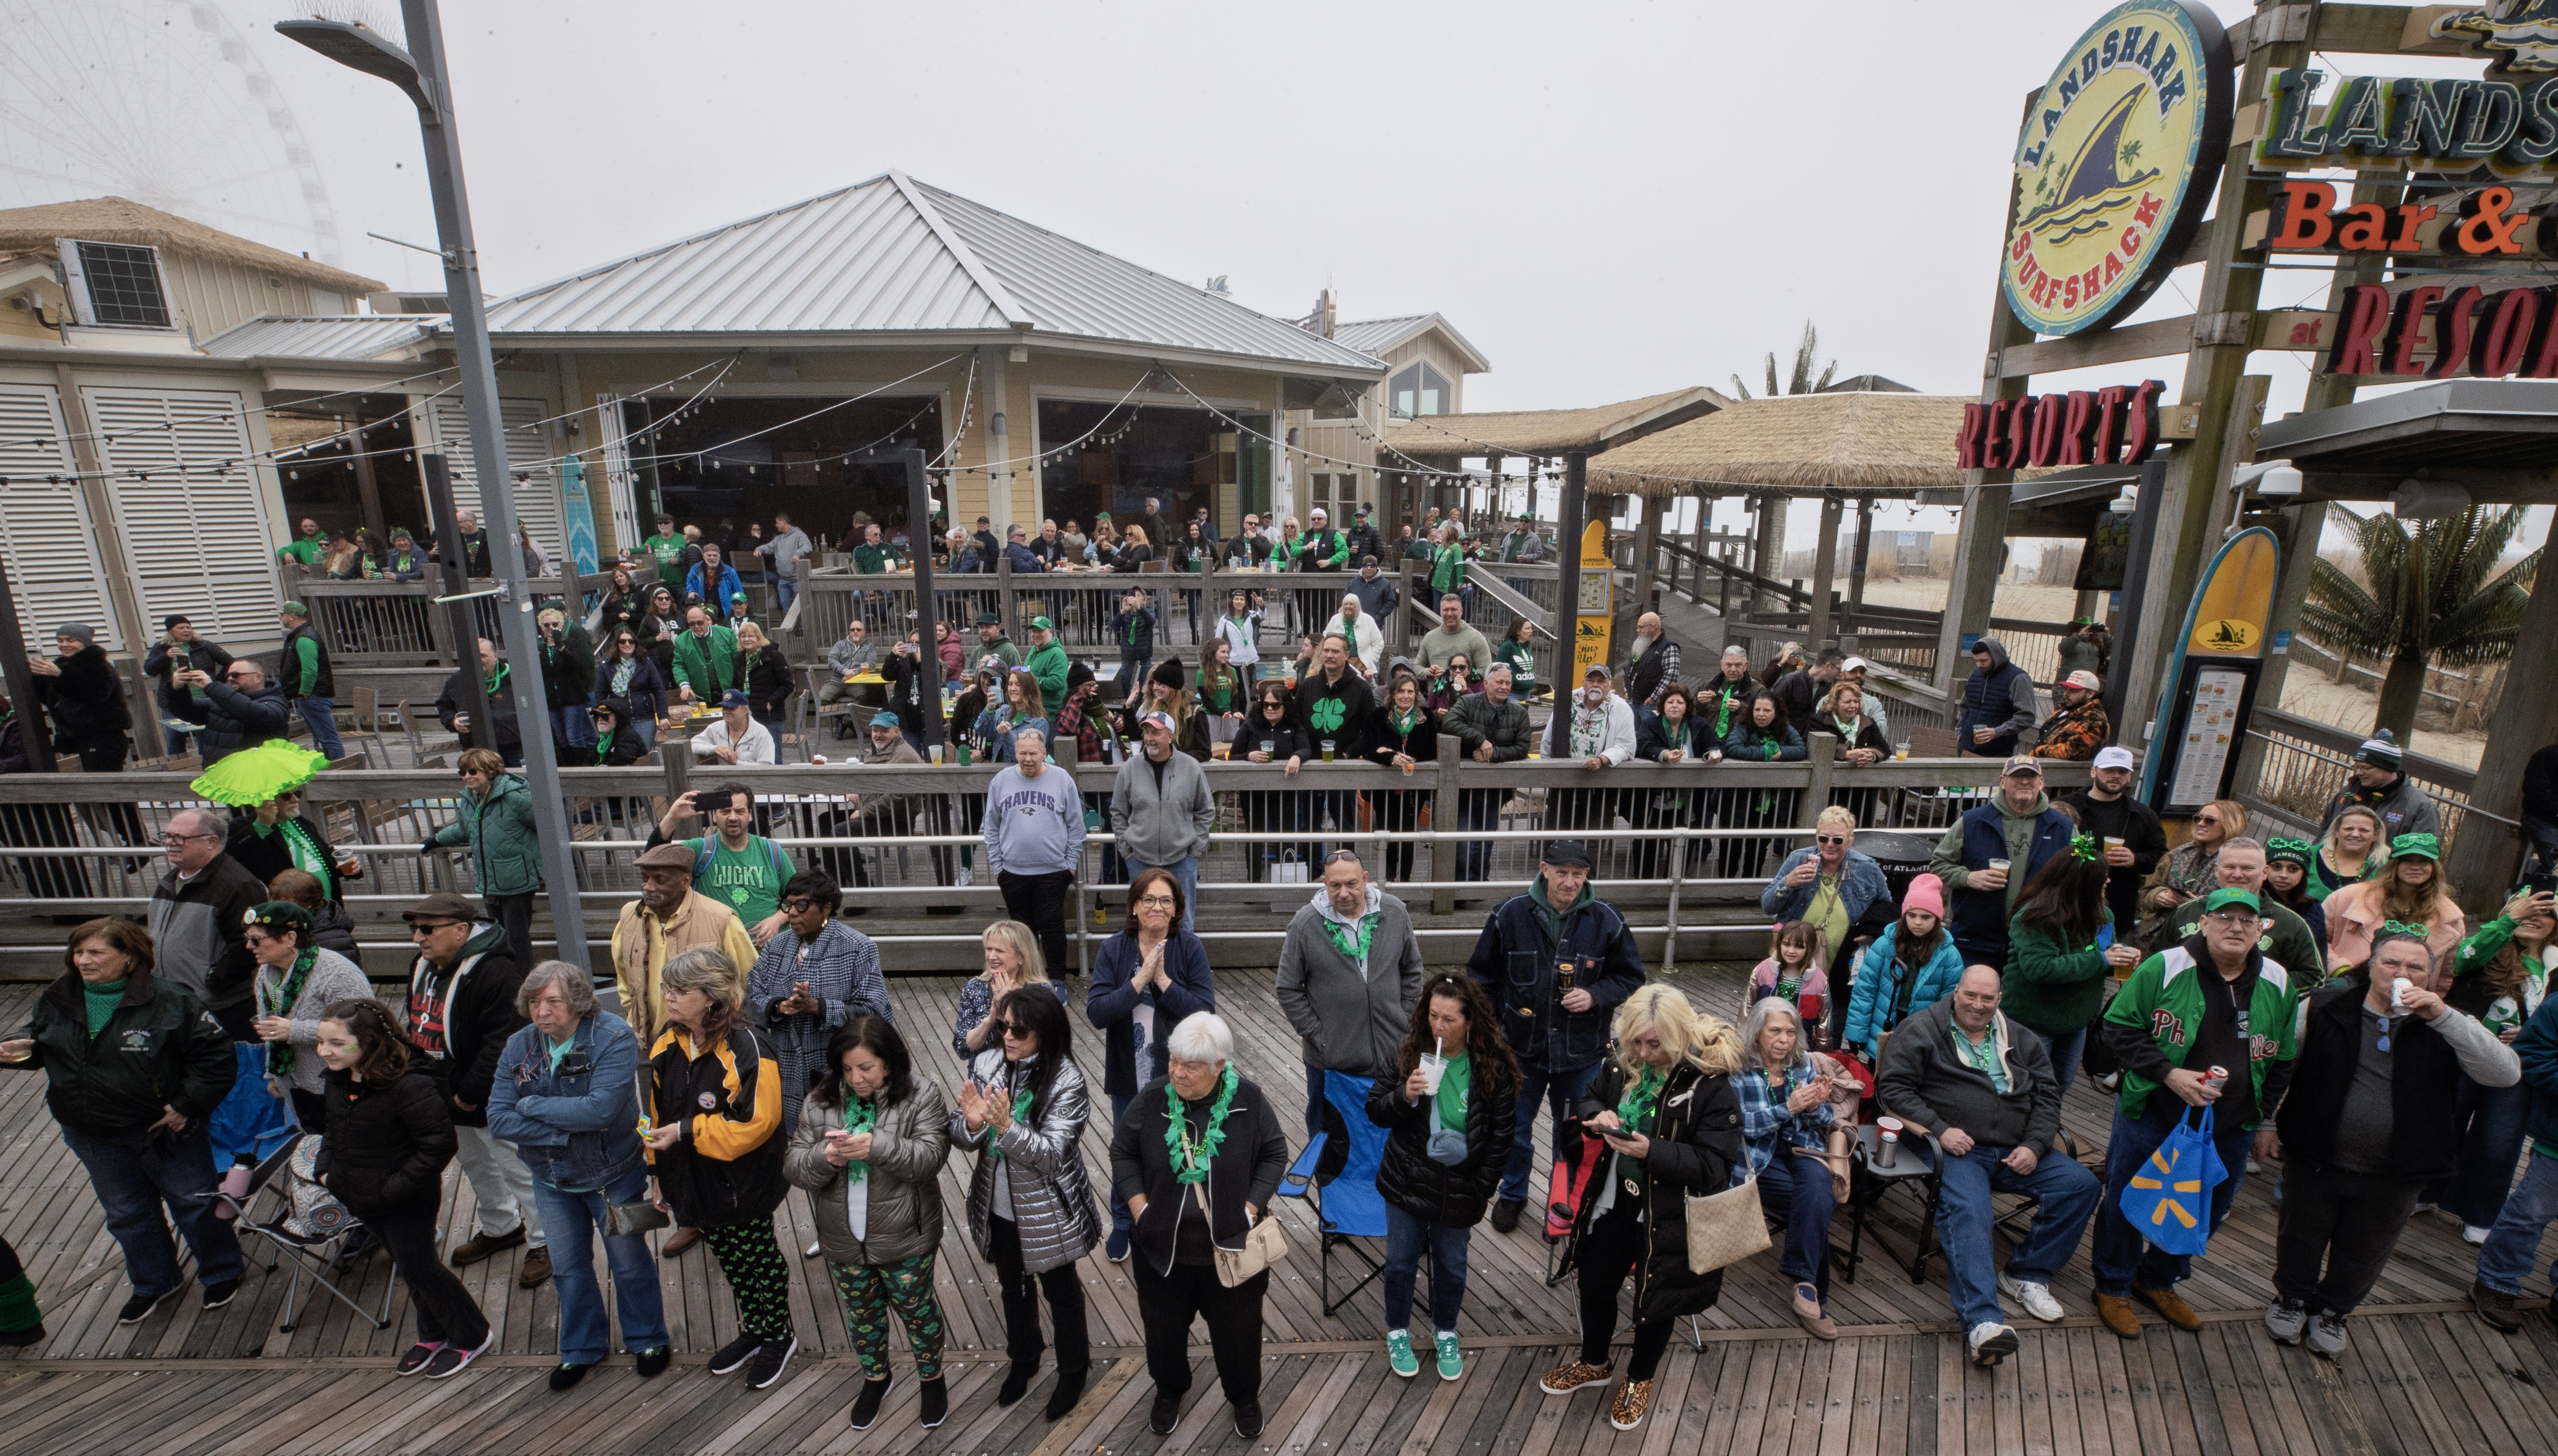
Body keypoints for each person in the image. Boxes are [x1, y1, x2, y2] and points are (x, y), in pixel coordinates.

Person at [2268, 926, 2518, 1358]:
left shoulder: (2448, 1022)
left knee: (2366, 1249)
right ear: (2372, 967)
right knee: (2299, 1236)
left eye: (2416, 967)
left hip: (2399, 1169)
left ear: (2431, 975)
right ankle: (2291, 1299)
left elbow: (2506, 1074)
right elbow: (2280, 1063)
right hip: (2316, 1154)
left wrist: (2444, 1017)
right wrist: (2266, 1123)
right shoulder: (2325, 1005)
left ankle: (2334, 1311)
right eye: (2392, 962)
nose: (2402, 972)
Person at [0, 918, 241, 1323]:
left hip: (164, 1131)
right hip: (91, 1133)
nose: (83, 960)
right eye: (79, 952)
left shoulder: (172, 1000)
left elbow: (216, 1057)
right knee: (127, 1213)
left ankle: (221, 1271)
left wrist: (185, 1106)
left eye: (96, 952)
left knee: (194, 1204)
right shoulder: (58, 997)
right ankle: (155, 1282)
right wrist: (18, 1048)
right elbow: (41, 1039)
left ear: (130, 956)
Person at [2092, 887, 2300, 1339]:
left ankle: (2156, 1279)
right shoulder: (2164, 966)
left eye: (2247, 920)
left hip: (2231, 1124)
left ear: (2262, 930)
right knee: (2128, 1197)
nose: (2235, 927)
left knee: (2207, 1206)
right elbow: (2118, 1027)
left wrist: (2265, 1118)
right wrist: (2169, 1074)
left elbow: (2284, 1058)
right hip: (2154, 1111)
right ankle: (2113, 1284)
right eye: (2224, 917)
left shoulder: (2279, 980)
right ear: (2203, 923)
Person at [1537, 986, 1743, 1431]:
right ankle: (1595, 1362)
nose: (1645, 1054)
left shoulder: (1711, 1084)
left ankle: (1639, 1378)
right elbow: (1592, 1095)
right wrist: (1598, 1116)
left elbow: (1715, 1167)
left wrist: (1653, 1151)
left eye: (1655, 1044)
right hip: (1615, 1199)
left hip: (1670, 1214)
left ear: (1680, 1034)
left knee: (1657, 1300)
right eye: (1636, 1042)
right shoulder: (1622, 1061)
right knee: (1594, 1282)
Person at [1875, 966, 2105, 1365]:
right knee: (1970, 1208)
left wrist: (2036, 1145)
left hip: (2017, 1150)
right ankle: (1983, 1323)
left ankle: (2027, 1273)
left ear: (2000, 999)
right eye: (1971, 995)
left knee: (2082, 1185)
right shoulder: (1922, 1029)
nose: (1978, 1005)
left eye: (1987, 998)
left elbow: (2048, 1097)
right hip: (1956, 1149)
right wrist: (1940, 1129)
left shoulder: (2021, 1037)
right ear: (1956, 992)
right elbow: (1892, 1088)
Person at [483, 961, 672, 1389]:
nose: (542, 1012)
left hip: (613, 1174)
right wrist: (565, 1129)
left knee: (628, 1263)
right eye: (534, 1002)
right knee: (568, 1267)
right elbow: (498, 1119)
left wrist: (530, 1106)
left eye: (553, 1001)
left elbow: (600, 1111)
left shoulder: (614, 1037)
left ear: (579, 1001)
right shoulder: (519, 1045)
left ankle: (648, 1338)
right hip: (551, 1179)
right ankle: (582, 1347)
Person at [1112, 1011, 1291, 1439]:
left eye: (1190, 1066)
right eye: (1174, 1060)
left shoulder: (1249, 1100)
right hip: (1162, 1247)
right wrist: (1140, 1209)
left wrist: (1250, 1209)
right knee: (1163, 1331)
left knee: (1239, 1333)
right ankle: (1169, 1390)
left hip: (1231, 1247)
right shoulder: (1152, 1098)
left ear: (1219, 1066)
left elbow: (1275, 1153)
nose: (1177, 1072)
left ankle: (1244, 1397)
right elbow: (1122, 1151)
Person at [1467, 840, 1645, 1232]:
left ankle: (1563, 1200)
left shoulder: (1608, 920)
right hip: (1519, 1052)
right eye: (1561, 873)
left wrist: (1596, 994)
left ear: (1587, 876)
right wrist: (1494, 1033)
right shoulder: (1508, 914)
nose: (1569, 882)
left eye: (1577, 875)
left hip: (1581, 1054)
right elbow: (1481, 980)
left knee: (1574, 1134)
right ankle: (1513, 1194)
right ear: (1544, 869)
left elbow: (1631, 977)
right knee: (1513, 1131)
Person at [785, 1017, 953, 1431]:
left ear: (889, 1062)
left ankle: (932, 1378)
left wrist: (877, 1146)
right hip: (843, 1237)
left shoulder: (922, 1095)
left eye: (866, 1068)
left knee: (918, 1312)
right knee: (862, 1314)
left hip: (906, 1234)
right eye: (846, 1068)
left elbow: (930, 1158)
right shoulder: (819, 1100)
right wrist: (825, 1157)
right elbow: (794, 1165)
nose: (855, 1078)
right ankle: (877, 1378)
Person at [311, 998, 494, 1377]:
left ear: (368, 1041)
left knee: (422, 1268)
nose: (324, 1051)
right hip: (360, 1197)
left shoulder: (408, 1084)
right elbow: (333, 1129)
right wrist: (325, 1172)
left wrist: (391, 1189)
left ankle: (472, 1335)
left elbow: (439, 1144)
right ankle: (433, 1333)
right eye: (321, 1041)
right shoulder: (338, 1079)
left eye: (336, 1043)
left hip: (406, 1200)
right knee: (409, 1267)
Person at [641, 947, 798, 1388]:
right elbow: (656, 1112)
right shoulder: (667, 1042)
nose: (669, 997)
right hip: (692, 1182)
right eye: (667, 988)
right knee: (730, 1258)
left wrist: (687, 1130)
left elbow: (756, 1122)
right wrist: (658, 1173)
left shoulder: (749, 1047)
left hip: (742, 1183)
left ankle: (780, 1334)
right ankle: (756, 1328)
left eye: (681, 990)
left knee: (760, 1259)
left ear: (713, 996)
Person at [954, 987, 1100, 1421]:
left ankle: (1073, 1368)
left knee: (1062, 1292)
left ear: (1046, 1032)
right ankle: (1025, 1356)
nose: (1007, 1036)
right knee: (1013, 1287)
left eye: (1020, 1031)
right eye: (1004, 1026)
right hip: (997, 1204)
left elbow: (1053, 1155)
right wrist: (973, 1124)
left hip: (1048, 1209)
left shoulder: (1067, 1080)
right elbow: (962, 1132)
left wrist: (1006, 1128)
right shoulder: (987, 1064)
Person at [608, 844, 760, 1248]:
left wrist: (722, 1031)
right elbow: (623, 973)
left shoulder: (721, 919)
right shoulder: (629, 916)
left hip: (709, 1046)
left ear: (686, 881)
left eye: (660, 878)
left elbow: (750, 981)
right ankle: (685, 1208)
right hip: (653, 1045)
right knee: (661, 1120)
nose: (648, 886)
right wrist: (635, 1017)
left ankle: (718, 1206)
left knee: (706, 1121)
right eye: (645, 877)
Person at [400, 890, 549, 1286]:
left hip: (485, 1094)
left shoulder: (497, 972)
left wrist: (470, 1093)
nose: (418, 937)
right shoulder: (422, 965)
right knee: (474, 1161)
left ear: (461, 930)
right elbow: (416, 1022)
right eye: (415, 928)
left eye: (427, 929)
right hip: (441, 1088)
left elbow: (503, 1042)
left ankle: (546, 1240)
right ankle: (502, 1226)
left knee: (518, 1167)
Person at [1087, 868, 1216, 1261]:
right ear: (1134, 906)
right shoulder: (1114, 949)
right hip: (1128, 1072)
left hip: (1179, 1072)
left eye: (1165, 900)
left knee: (1179, 1145)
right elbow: (1097, 1012)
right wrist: (1138, 981)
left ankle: (1175, 1218)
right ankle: (1123, 1222)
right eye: (1149, 899)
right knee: (1127, 1148)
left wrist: (1163, 982)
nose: (1157, 907)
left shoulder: (1189, 947)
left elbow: (1205, 1012)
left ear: (1176, 908)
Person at [1279, 849, 1427, 1134]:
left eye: (1351, 884)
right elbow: (1288, 987)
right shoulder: (1305, 924)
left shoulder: (1395, 912)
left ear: (1366, 879)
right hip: (1330, 1062)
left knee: (1391, 1136)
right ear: (1324, 883)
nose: (1344, 893)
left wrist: (1405, 1018)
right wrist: (1319, 1036)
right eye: (1335, 885)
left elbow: (1412, 970)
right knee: (1327, 1138)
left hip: (1392, 1053)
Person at [2443, 890, 2558, 1241]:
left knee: (2499, 1143)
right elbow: (2461, 959)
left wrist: (2534, 1031)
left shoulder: (2555, 966)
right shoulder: (2491, 944)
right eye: (2527, 909)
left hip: (2516, 1067)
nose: (2534, 917)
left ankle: (2480, 1213)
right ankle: (2423, 1192)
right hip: (2465, 1056)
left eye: (2547, 913)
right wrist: (2509, 921)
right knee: (2444, 1125)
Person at [1736, 995, 1847, 1339]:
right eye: (1775, 1031)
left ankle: (1804, 1285)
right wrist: (1789, 1107)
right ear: (1757, 1033)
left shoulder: (1802, 1064)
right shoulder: (1737, 1068)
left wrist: (1815, 1105)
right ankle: (1814, 1295)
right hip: (1758, 1156)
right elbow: (1742, 1126)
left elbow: (1823, 1120)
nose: (1784, 1040)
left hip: (1802, 1147)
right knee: (1816, 1204)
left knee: (1817, 1190)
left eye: (1790, 1031)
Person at [748, 870, 888, 1138]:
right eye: (788, 905)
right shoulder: (776, 947)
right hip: (785, 1064)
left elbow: (875, 1011)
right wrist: (778, 1007)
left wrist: (819, 1007)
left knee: (839, 1140)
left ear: (826, 908)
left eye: (801, 905)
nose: (792, 913)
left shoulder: (858, 947)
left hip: (839, 1064)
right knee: (792, 1140)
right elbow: (751, 994)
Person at [2003, 836, 2142, 1095]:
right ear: (2081, 883)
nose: (2108, 882)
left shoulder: (2104, 916)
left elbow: (2105, 955)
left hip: (2076, 1022)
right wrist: (2103, 959)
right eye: (2102, 877)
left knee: (2060, 1087)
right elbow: (2040, 968)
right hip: (2032, 1021)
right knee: (2026, 1088)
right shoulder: (2034, 918)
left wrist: (2121, 958)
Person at [1928, 756, 2076, 971]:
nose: (2024, 781)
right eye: (2017, 776)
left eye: (2031, 777)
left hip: (2038, 942)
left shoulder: (2063, 828)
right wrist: (1968, 878)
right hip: (1977, 941)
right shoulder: (1972, 822)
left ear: (2042, 783)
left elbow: (2080, 876)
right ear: (2003, 781)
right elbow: (1939, 864)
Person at [243, 900, 369, 1131]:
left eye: (257, 939)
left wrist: (294, 1030)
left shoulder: (337, 972)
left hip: (338, 1084)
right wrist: (275, 1075)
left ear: (290, 938)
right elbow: (272, 1029)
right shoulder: (265, 973)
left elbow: (361, 1027)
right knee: (311, 1144)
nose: (249, 946)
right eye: (248, 939)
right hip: (294, 1084)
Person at [148, 805, 264, 1040]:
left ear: (211, 842)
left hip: (219, 1009)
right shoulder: (170, 880)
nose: (170, 843)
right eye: (167, 836)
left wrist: (212, 985)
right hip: (173, 1002)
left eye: (180, 838)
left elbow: (247, 946)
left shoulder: (239, 885)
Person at [1759, 804, 1892, 1004]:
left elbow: (1887, 910)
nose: (1830, 845)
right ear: (1817, 837)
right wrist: (1788, 883)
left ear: (1851, 839)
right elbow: (1767, 906)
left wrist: (1873, 932)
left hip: (1842, 965)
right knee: (1790, 1011)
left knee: (1833, 1015)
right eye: (1823, 838)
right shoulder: (1799, 859)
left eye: (1838, 840)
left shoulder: (1867, 868)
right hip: (1795, 964)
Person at [985, 726, 1085, 977]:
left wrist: (1070, 864)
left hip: (1054, 870)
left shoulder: (1062, 779)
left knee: (1052, 926)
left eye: (1033, 753)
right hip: (1012, 871)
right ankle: (1026, 980)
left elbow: (1076, 826)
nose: (1027, 759)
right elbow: (991, 827)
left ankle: (1057, 980)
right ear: (1015, 753)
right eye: (1022, 753)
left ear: (1044, 753)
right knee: (1021, 932)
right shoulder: (1001, 781)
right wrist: (998, 866)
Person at [424, 750, 541, 963]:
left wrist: (540, 862)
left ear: (490, 771)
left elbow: (545, 823)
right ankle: (503, 975)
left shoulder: (515, 796)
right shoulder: (470, 798)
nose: (467, 777)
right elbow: (464, 829)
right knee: (496, 936)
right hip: (488, 879)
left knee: (517, 938)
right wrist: (438, 839)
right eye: (462, 773)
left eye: (473, 771)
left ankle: (523, 978)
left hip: (516, 878)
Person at [1839, 875, 1964, 1064]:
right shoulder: (1885, 944)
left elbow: (1948, 1004)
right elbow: (1865, 990)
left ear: (1937, 918)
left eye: (1926, 917)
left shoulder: (1949, 955)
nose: (1918, 922)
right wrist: (1856, 1031)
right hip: (1884, 1024)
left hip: (1922, 1033)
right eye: (1912, 916)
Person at [653, 783, 794, 946]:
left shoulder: (772, 851)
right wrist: (672, 818)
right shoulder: (701, 850)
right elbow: (655, 859)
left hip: (768, 949)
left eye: (740, 811)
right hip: (716, 950)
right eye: (725, 811)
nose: (733, 817)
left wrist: (777, 920)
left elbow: (800, 896)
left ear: (750, 815)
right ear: (714, 815)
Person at [1112, 709, 1216, 920]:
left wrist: (1194, 851)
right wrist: (1127, 851)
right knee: (1144, 922)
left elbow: (1206, 810)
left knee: (1183, 922)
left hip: (1182, 860)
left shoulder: (1192, 767)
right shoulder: (1129, 769)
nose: (1149, 738)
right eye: (1147, 732)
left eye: (1156, 732)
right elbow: (1118, 812)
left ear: (1170, 737)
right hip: (1140, 860)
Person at [2059, 745, 2168, 938]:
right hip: (2067, 900)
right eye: (2109, 770)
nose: (2116, 776)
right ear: (2094, 771)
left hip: (2118, 905)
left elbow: (2162, 857)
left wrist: (2135, 860)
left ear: (2129, 777)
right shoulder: (2066, 806)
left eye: (2123, 772)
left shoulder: (2142, 814)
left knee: (2111, 952)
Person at [2323, 832, 2466, 975]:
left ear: (2434, 867)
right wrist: (2339, 969)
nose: (2415, 867)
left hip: (2413, 988)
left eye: (2424, 861)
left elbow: (2447, 976)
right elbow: (2316, 939)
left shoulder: (2450, 918)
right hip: (2352, 983)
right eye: (2407, 861)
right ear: (2394, 865)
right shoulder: (2347, 897)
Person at [1443, 662, 1530, 882]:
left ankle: (1479, 883)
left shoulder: (1519, 713)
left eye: (1508, 683)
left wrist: (1493, 754)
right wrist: (1480, 740)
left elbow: (1523, 747)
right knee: (1463, 842)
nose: (1504, 687)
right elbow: (1449, 722)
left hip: (1496, 789)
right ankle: (1459, 886)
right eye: (1499, 682)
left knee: (1485, 841)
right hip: (1464, 788)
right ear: (1486, 684)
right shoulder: (1468, 702)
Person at [225, 785, 362, 917]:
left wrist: (344, 867)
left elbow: (325, 855)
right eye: (287, 796)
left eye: (297, 794)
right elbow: (233, 854)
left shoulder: (300, 822)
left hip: (326, 910)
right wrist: (261, 825)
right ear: (267, 799)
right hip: (288, 915)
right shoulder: (244, 826)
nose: (295, 800)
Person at [1541, 664, 1635, 848]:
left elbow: (1627, 746)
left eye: (1601, 681)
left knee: (1591, 843)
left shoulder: (1621, 708)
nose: (1596, 685)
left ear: (1610, 684)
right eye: (1591, 680)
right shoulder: (1568, 700)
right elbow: (1549, 737)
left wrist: (1602, 760)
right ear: (1584, 682)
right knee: (1557, 841)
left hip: (1601, 786)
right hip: (1565, 783)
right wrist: (1549, 771)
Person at [1718, 690, 1806, 879]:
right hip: (1739, 798)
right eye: (1757, 710)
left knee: (1758, 845)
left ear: (1776, 712)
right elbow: (1733, 748)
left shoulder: (1785, 727)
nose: (1761, 714)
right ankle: (1725, 883)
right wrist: (1766, 753)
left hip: (1768, 802)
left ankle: (1750, 884)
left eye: (1767, 710)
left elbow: (1801, 749)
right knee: (1731, 844)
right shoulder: (1742, 725)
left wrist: (1780, 754)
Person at [1366, 671, 1438, 883]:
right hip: (1385, 787)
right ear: (1393, 694)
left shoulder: (1426, 716)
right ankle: (1387, 881)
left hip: (1413, 788)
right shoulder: (1379, 716)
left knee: (1408, 836)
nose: (1406, 696)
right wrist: (1390, 756)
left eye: (1410, 692)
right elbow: (1367, 746)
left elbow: (1431, 749)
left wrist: (1404, 756)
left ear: (1416, 694)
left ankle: (1405, 882)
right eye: (1401, 691)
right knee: (1386, 835)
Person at [2139, 798, 2241, 937]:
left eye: (2210, 820)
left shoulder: (2237, 865)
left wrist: (2197, 906)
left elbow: (2239, 908)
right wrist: (2159, 896)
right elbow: (2146, 894)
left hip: (2204, 937)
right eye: (2198, 819)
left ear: (2230, 825)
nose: (2201, 824)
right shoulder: (2179, 854)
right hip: (2160, 934)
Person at [2318, 729, 2442, 842]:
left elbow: (2421, 852)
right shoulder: (2347, 794)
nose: (2359, 772)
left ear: (2388, 768)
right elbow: (2325, 835)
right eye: (2357, 767)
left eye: (2366, 768)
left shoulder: (2421, 808)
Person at [143, 614, 233, 757]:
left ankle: (206, 764)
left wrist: (217, 682)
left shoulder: (204, 645)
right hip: (172, 703)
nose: (186, 630)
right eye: (181, 628)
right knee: (175, 737)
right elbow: (150, 670)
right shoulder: (161, 648)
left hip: (203, 700)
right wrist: (166, 656)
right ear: (171, 631)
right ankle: (178, 768)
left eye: (188, 627)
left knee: (205, 735)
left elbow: (231, 663)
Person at [436, 638, 523, 766]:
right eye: (473, 657)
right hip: (475, 747)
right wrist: (453, 721)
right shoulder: (457, 680)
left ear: (495, 656)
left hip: (513, 747)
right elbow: (444, 708)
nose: (478, 660)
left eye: (483, 656)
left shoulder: (514, 677)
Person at [1751, 921, 1833, 1037]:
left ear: (1810, 948)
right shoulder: (1763, 970)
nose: (1791, 951)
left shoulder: (1820, 980)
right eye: (1786, 944)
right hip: (1765, 1038)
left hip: (1801, 1039)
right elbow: (1748, 1006)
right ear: (1779, 944)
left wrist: (1822, 1045)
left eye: (1799, 947)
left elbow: (1825, 1019)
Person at [593, 628, 671, 747]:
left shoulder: (646, 663)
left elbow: (659, 690)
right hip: (619, 720)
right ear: (617, 644)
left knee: (646, 754)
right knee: (625, 754)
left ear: (636, 644)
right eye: (623, 641)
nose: (627, 644)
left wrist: (663, 716)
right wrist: (604, 718)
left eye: (631, 641)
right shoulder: (606, 667)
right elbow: (600, 695)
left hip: (645, 718)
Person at [2261, 838, 2331, 961]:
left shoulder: (2311, 908)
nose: (2283, 875)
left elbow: (2317, 957)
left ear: (2304, 872)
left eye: (2293, 869)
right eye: (2276, 867)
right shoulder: (2255, 899)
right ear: (2265, 869)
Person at [2029, 670, 2111, 760]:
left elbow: (2075, 751)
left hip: (2058, 768)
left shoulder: (2096, 721)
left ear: (2090, 694)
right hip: (2039, 763)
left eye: (2074, 691)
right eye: (2066, 689)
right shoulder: (2065, 710)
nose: (2066, 694)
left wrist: (2038, 752)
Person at [1415, 592, 1491, 688]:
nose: (1450, 614)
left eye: (1454, 610)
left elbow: (1486, 670)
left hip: (1466, 696)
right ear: (1441, 611)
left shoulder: (1476, 638)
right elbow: (1417, 668)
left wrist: (1461, 676)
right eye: (1446, 610)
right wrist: (1428, 672)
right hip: (1435, 696)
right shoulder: (1430, 637)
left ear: (1461, 611)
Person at [668, 607, 741, 706]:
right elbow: (678, 665)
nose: (696, 627)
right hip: (698, 694)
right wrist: (684, 685)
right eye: (692, 624)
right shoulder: (681, 640)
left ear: (706, 620)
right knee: (697, 714)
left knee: (730, 714)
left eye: (700, 623)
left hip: (729, 690)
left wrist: (740, 686)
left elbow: (739, 661)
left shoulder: (727, 634)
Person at [2314, 803, 2389, 899]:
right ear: (2336, 832)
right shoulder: (2310, 856)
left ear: (2376, 836)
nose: (2355, 834)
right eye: (2349, 829)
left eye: (2364, 830)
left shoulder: (2385, 866)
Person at [735, 620, 792, 743]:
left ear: (759, 638)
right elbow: (736, 686)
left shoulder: (774, 656)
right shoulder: (740, 659)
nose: (747, 639)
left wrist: (770, 703)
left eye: (751, 636)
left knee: (773, 753)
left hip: (770, 716)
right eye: (743, 636)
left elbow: (787, 685)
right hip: (747, 716)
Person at [688, 688, 777, 768]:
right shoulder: (716, 728)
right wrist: (715, 749)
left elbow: (767, 768)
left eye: (732, 708)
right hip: (723, 780)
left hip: (753, 781)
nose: (727, 712)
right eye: (724, 708)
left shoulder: (761, 733)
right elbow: (691, 745)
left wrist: (737, 763)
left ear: (746, 710)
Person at [1769, 649, 1840, 731]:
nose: (1839, 675)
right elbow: (1773, 708)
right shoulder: (1790, 681)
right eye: (1839, 670)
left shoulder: (1830, 689)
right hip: (1787, 734)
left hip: (1814, 735)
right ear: (1828, 666)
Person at [758, 512, 813, 612]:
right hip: (783, 579)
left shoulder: (799, 535)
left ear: (783, 522)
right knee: (786, 608)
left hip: (797, 580)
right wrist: (760, 549)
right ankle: (790, 623)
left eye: (777, 522)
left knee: (801, 608)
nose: (776, 525)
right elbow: (769, 547)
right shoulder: (778, 539)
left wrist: (798, 554)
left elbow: (808, 546)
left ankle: (801, 624)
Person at [1321, 592, 1385, 675]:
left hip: (1362, 666)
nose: (1348, 607)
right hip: (1339, 665)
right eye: (1345, 604)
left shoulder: (1368, 620)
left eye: (1351, 604)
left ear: (1357, 606)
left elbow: (1379, 643)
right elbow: (1325, 639)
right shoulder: (1335, 619)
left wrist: (1369, 661)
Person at [684, 541, 745, 610]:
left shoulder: (730, 572)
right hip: (703, 608)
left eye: (715, 556)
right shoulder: (696, 569)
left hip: (724, 610)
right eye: (709, 555)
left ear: (719, 557)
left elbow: (739, 591)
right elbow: (690, 581)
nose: (712, 558)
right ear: (704, 557)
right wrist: (691, 591)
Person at [1492, 616, 1540, 701]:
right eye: (1527, 629)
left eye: (1531, 628)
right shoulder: (1508, 646)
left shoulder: (1526, 645)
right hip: (1512, 694)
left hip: (1527, 693)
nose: (1531, 631)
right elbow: (1498, 667)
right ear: (1518, 631)